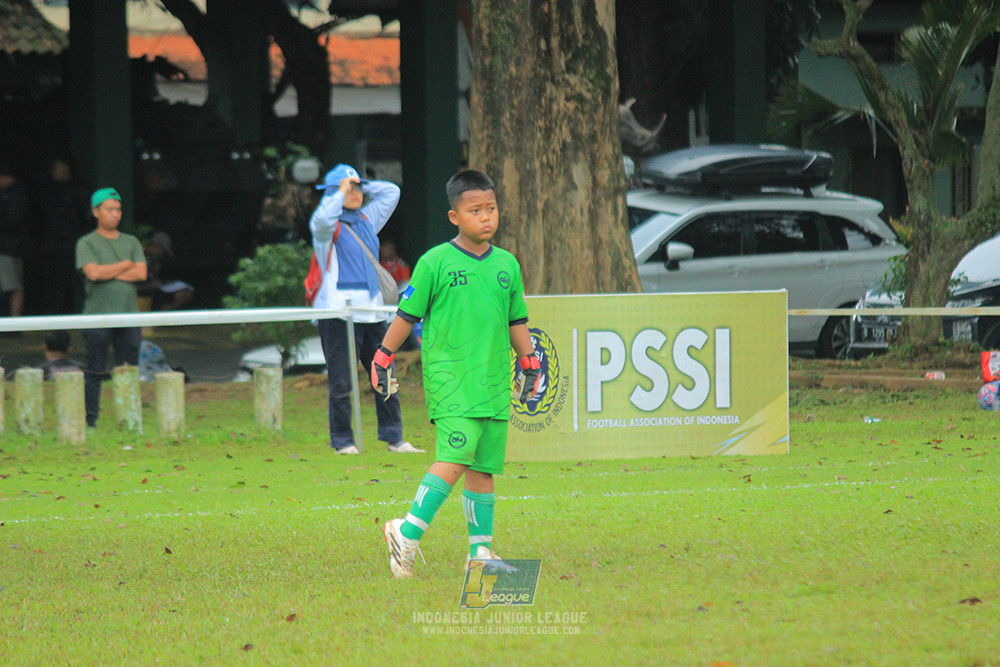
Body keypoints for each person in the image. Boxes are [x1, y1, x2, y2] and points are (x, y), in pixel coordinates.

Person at [373, 169, 541, 579]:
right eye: (475, 210)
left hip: (492, 383)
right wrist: (383, 356)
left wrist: (529, 361)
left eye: (492, 208)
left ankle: (480, 552)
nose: (486, 217)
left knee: (483, 468)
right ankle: (406, 531)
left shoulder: (507, 265)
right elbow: (406, 314)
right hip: (452, 381)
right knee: (454, 457)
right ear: (454, 217)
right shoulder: (435, 262)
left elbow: (516, 320)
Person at [309, 163, 423, 455]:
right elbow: (321, 218)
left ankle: (394, 437)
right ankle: (343, 441)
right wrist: (338, 192)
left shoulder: (366, 220)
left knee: (385, 374)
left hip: (373, 312)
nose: (355, 193)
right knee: (341, 381)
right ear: (335, 192)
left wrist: (361, 183)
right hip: (338, 315)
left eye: (357, 188)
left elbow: (391, 192)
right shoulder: (327, 227)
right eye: (349, 189)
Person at [75, 188, 147, 428]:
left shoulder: (132, 241)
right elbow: (93, 273)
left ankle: (129, 419)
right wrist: (126, 265)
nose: (115, 214)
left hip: (129, 316)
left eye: (118, 209)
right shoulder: (87, 243)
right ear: (96, 212)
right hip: (97, 317)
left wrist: (111, 271)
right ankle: (91, 421)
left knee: (128, 369)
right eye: (109, 209)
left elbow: (142, 273)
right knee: (95, 370)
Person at [34, 157, 92, 315]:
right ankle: (53, 315)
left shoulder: (80, 189)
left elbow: (89, 216)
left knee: (76, 282)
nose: (61, 171)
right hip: (51, 246)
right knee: (54, 283)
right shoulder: (45, 192)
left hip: (75, 244)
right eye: (57, 168)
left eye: (64, 166)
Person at [0, 161, 28, 328]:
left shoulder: (17, 193)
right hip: (7, 247)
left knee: (14, 287)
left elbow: (14, 219)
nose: (8, 180)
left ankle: (14, 327)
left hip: (11, 248)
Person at [137, 231, 194, 311]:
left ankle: (161, 315)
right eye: (161, 249)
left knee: (185, 293)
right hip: (139, 292)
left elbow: (154, 278)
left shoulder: (157, 261)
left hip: (153, 290)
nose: (162, 254)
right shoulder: (138, 256)